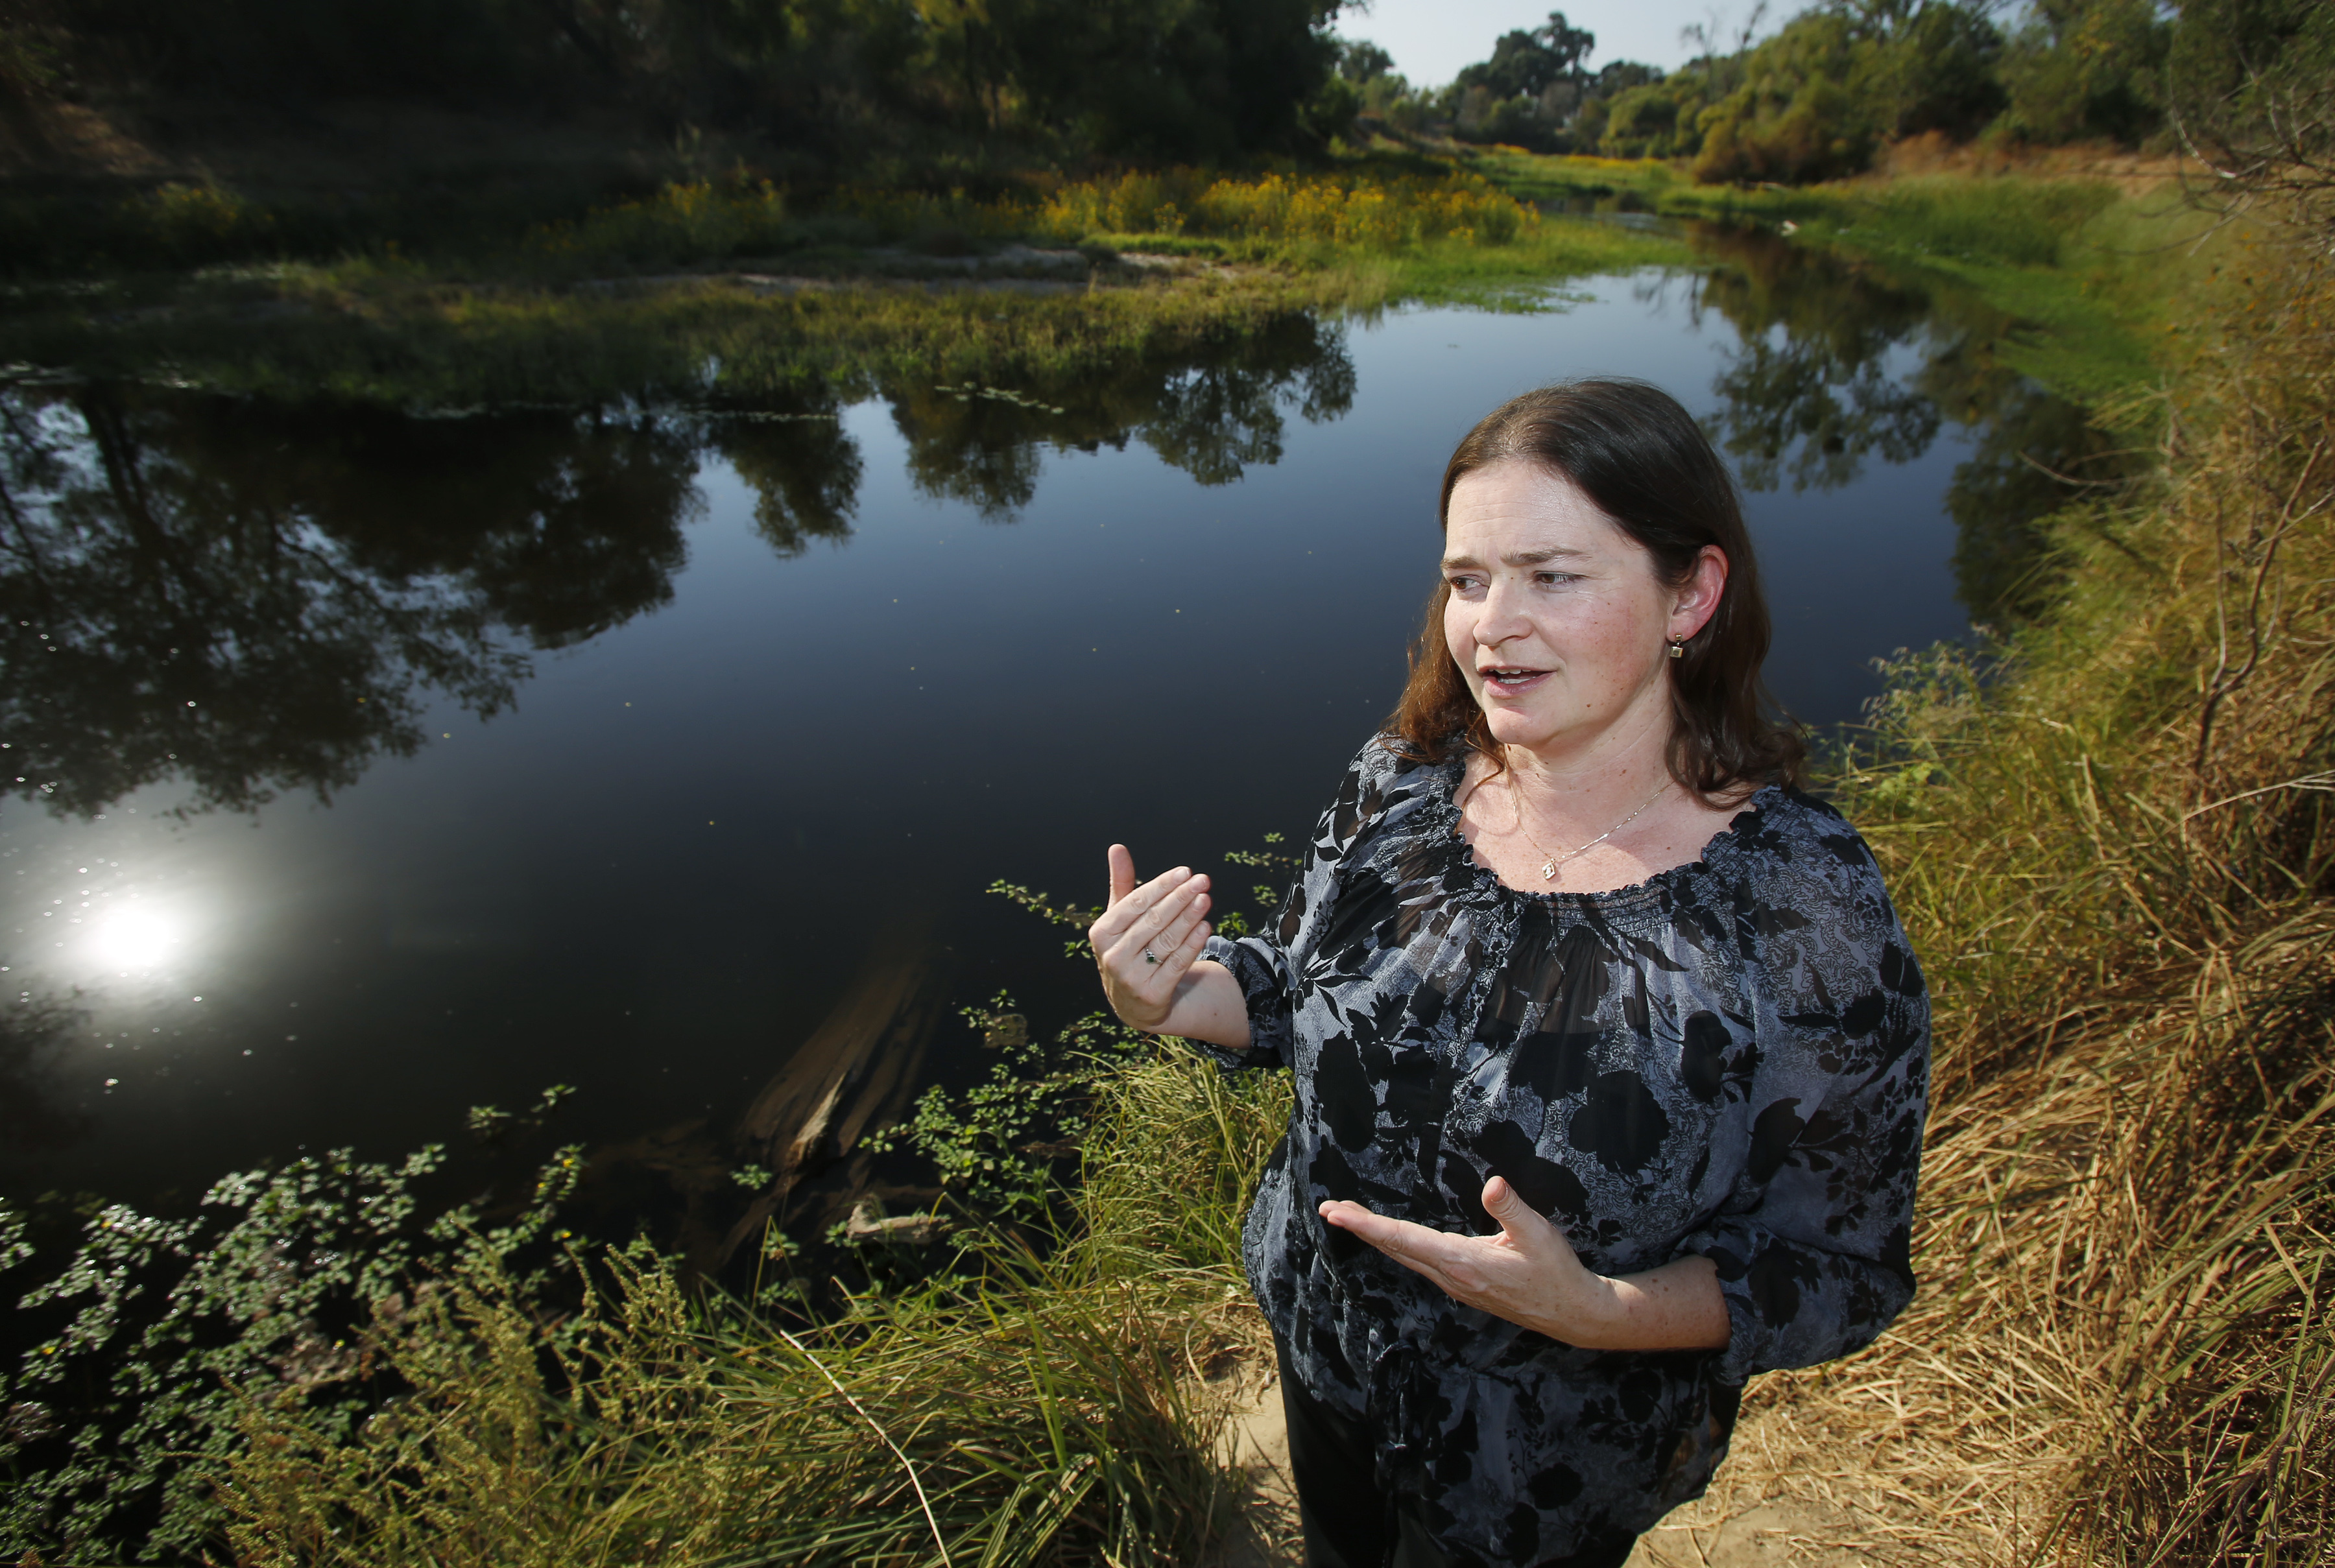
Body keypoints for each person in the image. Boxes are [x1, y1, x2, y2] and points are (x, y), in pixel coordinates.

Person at [1088, 379, 1931, 1568]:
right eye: (1469, 579)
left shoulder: (1800, 905)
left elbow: (1840, 1264)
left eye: (1553, 575)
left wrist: (1600, 1310)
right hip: (1327, 1345)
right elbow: (1293, 992)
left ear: (1692, 591)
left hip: (1544, 1457)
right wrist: (1167, 995)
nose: (1490, 626)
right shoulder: (1405, 780)